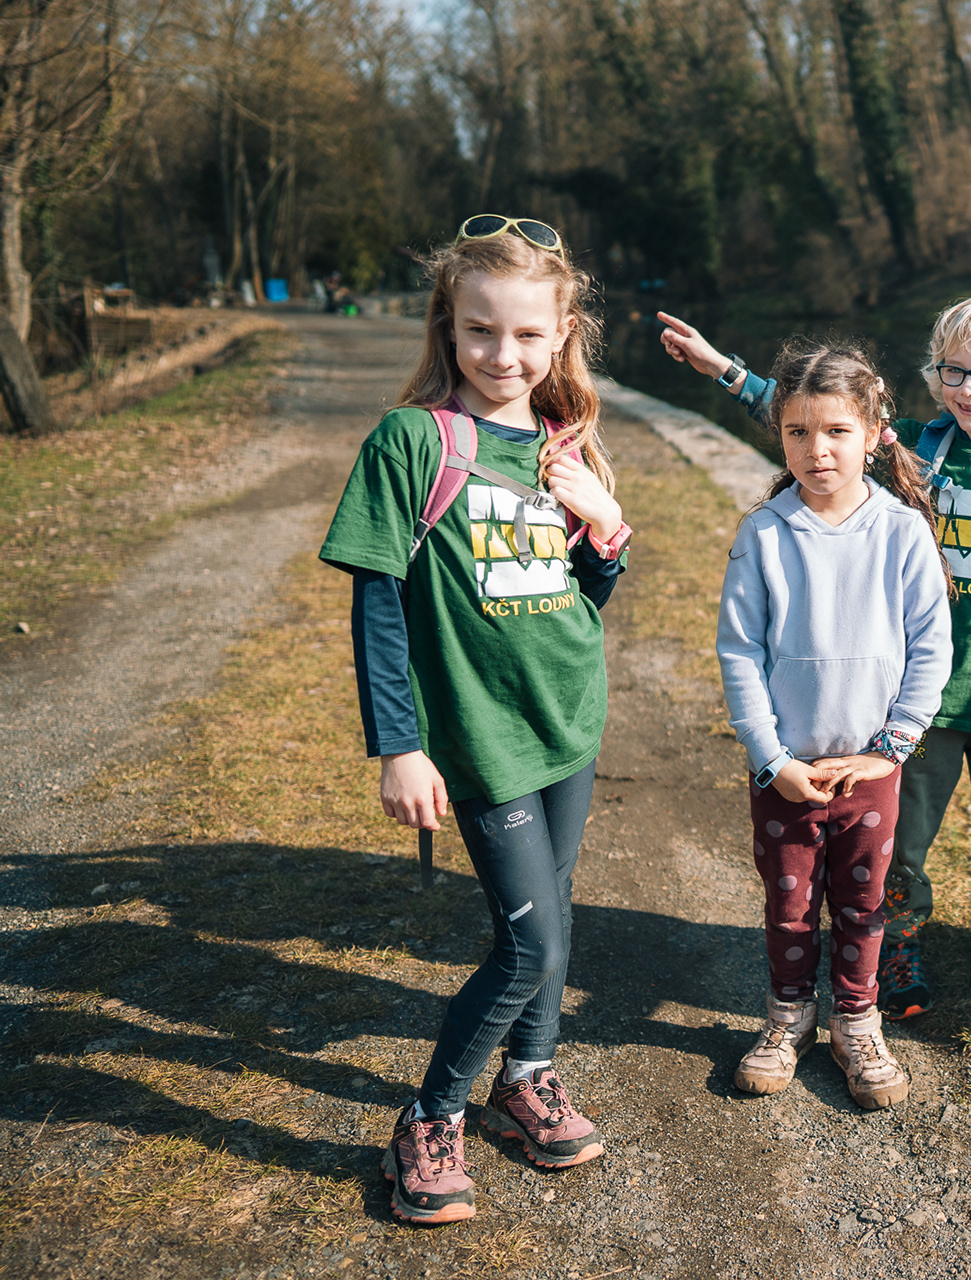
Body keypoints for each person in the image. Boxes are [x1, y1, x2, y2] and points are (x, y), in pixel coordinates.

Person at [658, 294, 971, 1019]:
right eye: (952, 371)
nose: (967, 389)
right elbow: (818, 415)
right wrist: (725, 370)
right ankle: (897, 938)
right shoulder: (915, 449)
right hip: (917, 706)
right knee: (905, 840)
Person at [320, 215, 631, 1224]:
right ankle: (430, 1114)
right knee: (529, 945)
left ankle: (527, 1077)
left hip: (567, 718)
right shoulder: (412, 440)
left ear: (562, 333)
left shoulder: (565, 443)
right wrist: (400, 745)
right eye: (481, 330)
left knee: (553, 910)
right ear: (447, 326)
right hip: (483, 736)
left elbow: (585, 593)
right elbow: (377, 605)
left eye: (528, 334)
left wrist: (605, 525)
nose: (504, 355)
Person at [716, 340, 953, 1109]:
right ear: (780, 434)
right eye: (798, 432)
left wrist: (893, 747)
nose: (817, 450)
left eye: (836, 431)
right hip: (785, 772)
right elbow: (740, 652)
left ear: (875, 432)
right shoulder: (763, 533)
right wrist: (771, 757)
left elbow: (932, 647)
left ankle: (856, 1020)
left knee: (863, 904)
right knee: (789, 906)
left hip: (870, 771)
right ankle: (789, 1018)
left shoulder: (902, 531)